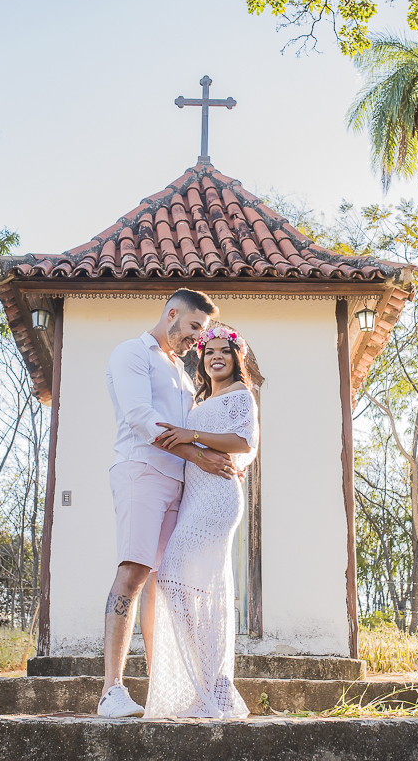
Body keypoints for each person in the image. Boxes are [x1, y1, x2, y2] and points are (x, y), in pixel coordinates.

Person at [97, 289, 241, 719]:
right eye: (195, 327)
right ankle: (112, 690)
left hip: (180, 485)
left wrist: (228, 461)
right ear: (172, 314)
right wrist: (200, 456)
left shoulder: (181, 371)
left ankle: (166, 685)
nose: (198, 339)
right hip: (141, 471)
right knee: (135, 571)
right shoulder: (131, 353)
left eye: (204, 331)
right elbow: (140, 417)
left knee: (168, 584)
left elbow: (200, 428)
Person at [143, 326, 259, 719]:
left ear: (236, 357)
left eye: (223, 351)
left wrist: (191, 434)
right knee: (189, 586)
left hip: (217, 499)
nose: (215, 358)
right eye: (208, 352)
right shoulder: (203, 398)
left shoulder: (241, 395)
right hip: (194, 497)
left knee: (177, 575)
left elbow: (244, 442)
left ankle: (212, 686)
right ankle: (209, 685)